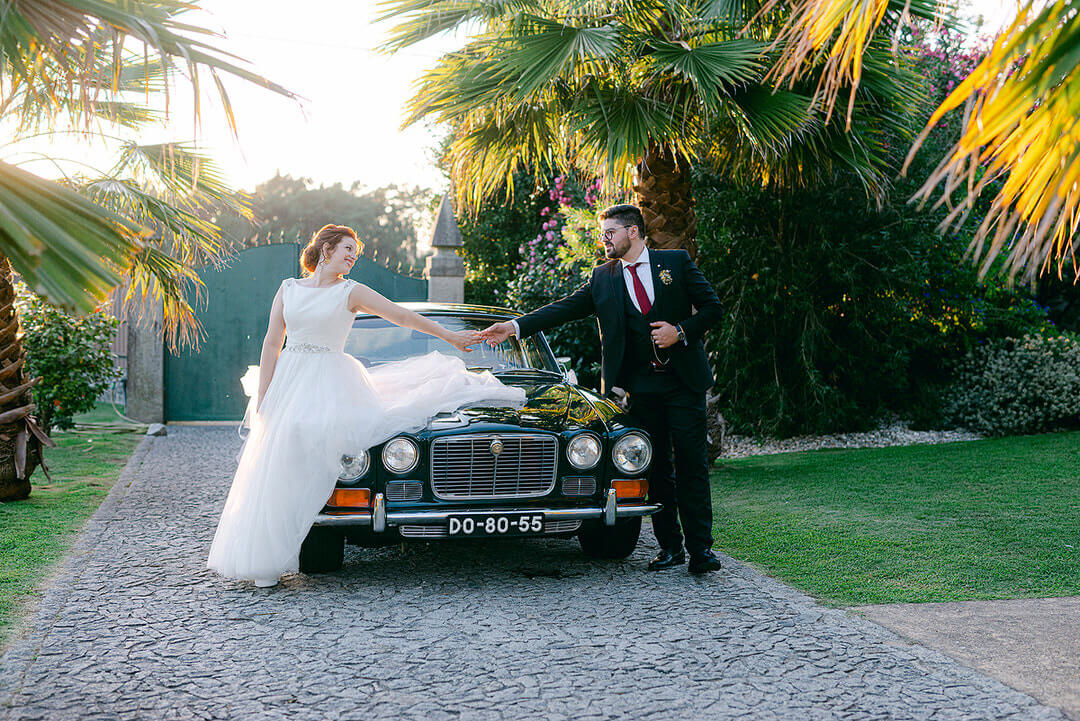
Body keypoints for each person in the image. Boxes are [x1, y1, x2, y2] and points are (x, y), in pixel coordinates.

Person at [207, 224, 526, 588]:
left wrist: (450, 336)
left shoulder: (352, 291)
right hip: (289, 383)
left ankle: (316, 533)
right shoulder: (288, 289)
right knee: (275, 462)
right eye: (347, 249)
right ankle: (262, 556)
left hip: (331, 380)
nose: (352, 256)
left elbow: (401, 316)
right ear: (325, 249)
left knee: (319, 449)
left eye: (355, 253)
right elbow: (270, 343)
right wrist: (264, 397)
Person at [479, 204, 724, 574]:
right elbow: (562, 309)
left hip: (683, 382)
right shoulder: (603, 278)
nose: (604, 239)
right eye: (603, 233)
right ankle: (670, 547)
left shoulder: (675, 261)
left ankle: (701, 551)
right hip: (641, 389)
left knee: (693, 465)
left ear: (634, 232)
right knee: (655, 469)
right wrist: (514, 327)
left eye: (610, 231)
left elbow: (712, 308)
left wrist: (681, 331)